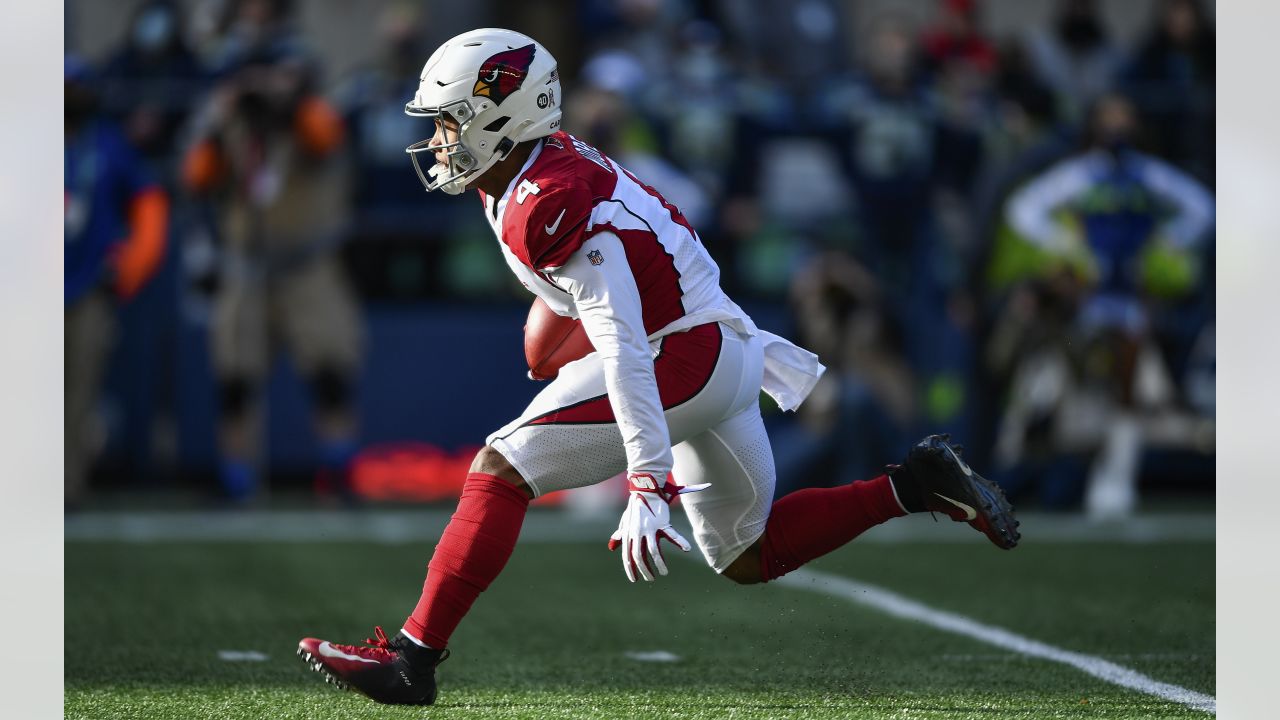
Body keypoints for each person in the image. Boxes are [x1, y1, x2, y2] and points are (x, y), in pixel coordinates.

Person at [297, 29, 1019, 706]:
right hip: (721, 351)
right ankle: (913, 486)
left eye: (452, 121)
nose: (438, 140)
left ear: (503, 117)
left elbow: (622, 342)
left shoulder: (546, 199)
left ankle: (413, 661)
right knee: (747, 551)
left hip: (684, 354)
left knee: (499, 468)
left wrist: (646, 478)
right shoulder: (530, 169)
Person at [181, 0, 363, 501]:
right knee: (236, 376)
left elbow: (325, 135)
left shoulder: (309, 109)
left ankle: (338, 470)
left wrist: (289, 96)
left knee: (330, 368)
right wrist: (222, 119)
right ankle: (237, 476)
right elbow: (195, 178)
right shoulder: (230, 120)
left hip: (307, 261)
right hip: (247, 263)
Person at [1003, 93, 1213, 517]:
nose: (1117, 126)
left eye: (1125, 117)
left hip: (1132, 297)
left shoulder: (1149, 175)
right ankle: (1041, 474)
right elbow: (1023, 209)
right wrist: (1066, 245)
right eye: (1109, 117)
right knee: (1062, 386)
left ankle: (1115, 480)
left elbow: (1202, 208)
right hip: (1084, 300)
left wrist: (1166, 244)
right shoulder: (1080, 175)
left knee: (1131, 388)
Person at [65, 56, 170, 507]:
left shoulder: (107, 146)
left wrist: (127, 268)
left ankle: (67, 485)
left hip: (88, 285)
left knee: (80, 389)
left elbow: (149, 204)